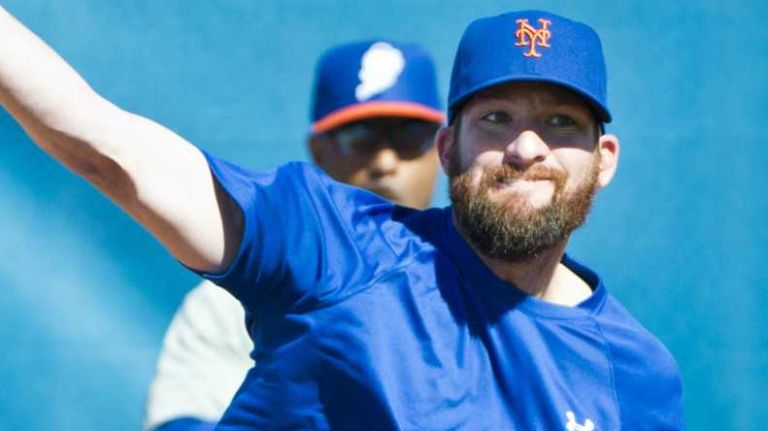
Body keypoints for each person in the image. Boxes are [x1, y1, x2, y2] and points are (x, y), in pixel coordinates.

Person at [0, 7, 685, 430]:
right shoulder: (340, 244)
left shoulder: (637, 375)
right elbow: (111, 150)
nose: (526, 147)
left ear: (604, 160)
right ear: (449, 147)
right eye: (497, 118)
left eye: (561, 122)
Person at [143, 40, 445, 431]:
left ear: (444, 147)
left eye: (409, 135)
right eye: (360, 138)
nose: (384, 162)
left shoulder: (484, 283)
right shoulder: (236, 295)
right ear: (319, 152)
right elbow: (181, 422)